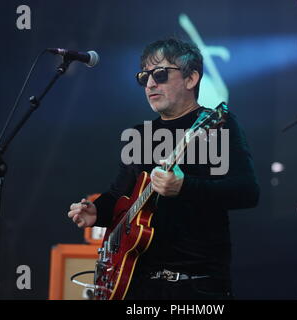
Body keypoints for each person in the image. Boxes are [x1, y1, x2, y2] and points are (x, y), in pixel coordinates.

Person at [67, 38, 259, 300]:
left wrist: (185, 187)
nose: (150, 84)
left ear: (191, 79)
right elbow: (118, 195)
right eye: (144, 77)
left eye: (160, 74)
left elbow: (248, 192)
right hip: (137, 283)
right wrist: (97, 212)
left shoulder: (218, 126)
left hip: (196, 286)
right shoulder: (140, 135)